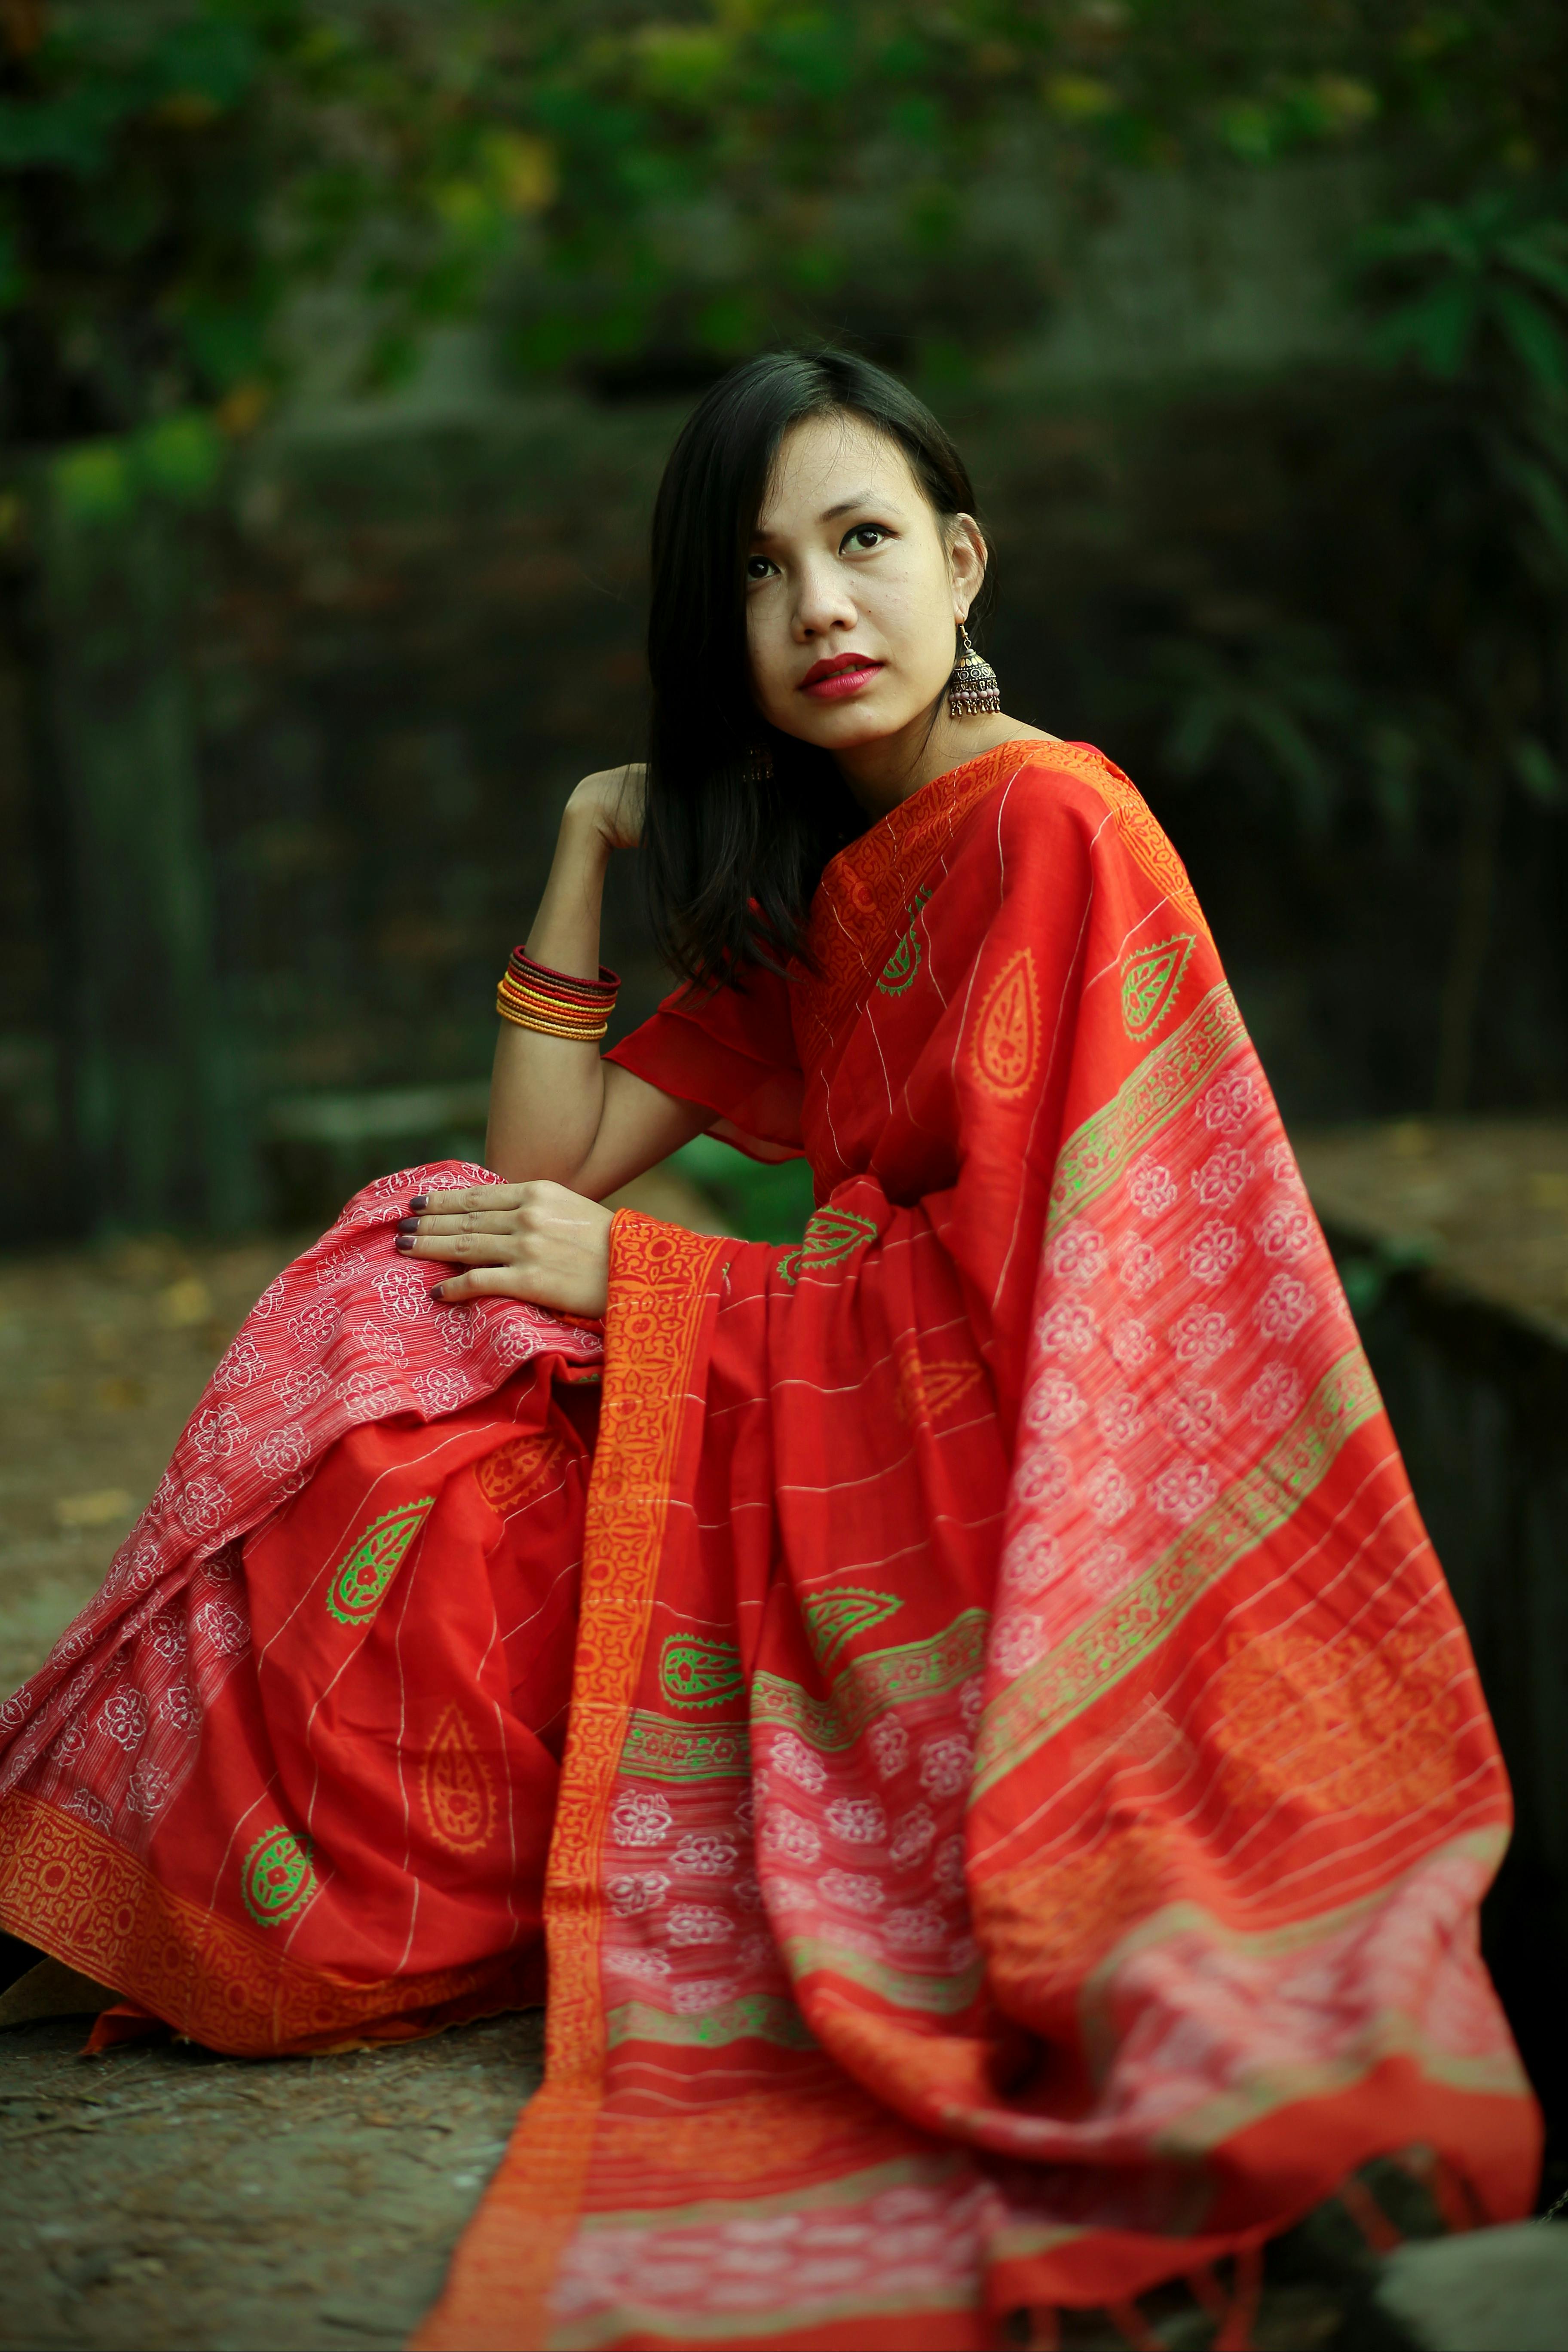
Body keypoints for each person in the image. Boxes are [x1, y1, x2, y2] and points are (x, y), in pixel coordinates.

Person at [0, 350, 1539, 2347]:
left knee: (445, 1471)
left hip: (1014, 1522)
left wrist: (651, 1290)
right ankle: (137, 1875)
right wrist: (583, 845)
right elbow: (537, 1168)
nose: (821, 604)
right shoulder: (831, 867)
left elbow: (1045, 1325)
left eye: (866, 542)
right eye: (757, 571)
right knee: (404, 1272)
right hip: (827, 1429)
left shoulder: (1052, 829)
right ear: (709, 632)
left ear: (965, 565)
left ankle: (224, 1906)